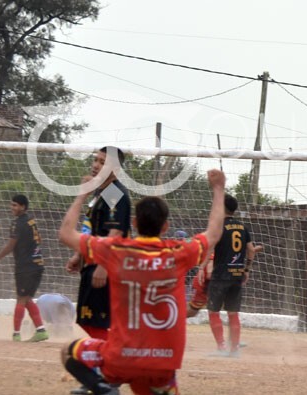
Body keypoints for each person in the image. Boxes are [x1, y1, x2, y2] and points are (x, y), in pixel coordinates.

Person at [57, 168, 228, 395]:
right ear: (165, 226)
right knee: (151, 385)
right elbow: (214, 233)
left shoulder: (116, 250)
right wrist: (218, 189)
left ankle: (103, 389)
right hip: (163, 365)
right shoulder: (179, 253)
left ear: (135, 223)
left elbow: (66, 234)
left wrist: (81, 194)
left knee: (68, 352)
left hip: (119, 359)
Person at [65, 146, 131, 340]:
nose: (96, 165)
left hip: (105, 266)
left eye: (103, 163)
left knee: (95, 321)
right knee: (88, 320)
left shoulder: (114, 193)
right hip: (92, 262)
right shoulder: (100, 193)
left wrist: (103, 266)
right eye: (96, 160)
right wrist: (79, 255)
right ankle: (113, 356)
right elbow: (92, 228)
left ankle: (114, 358)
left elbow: (116, 232)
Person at [0, 194, 48, 342]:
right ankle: (40, 330)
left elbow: (11, 245)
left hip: (26, 266)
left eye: (15, 205)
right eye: (11, 204)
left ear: (23, 207)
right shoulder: (31, 220)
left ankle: (16, 334)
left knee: (21, 299)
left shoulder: (18, 223)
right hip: (37, 264)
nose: (11, 208)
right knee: (27, 298)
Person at [205, 194, 258, 357]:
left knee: (213, 311)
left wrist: (202, 267)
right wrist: (247, 270)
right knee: (233, 313)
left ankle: (221, 347)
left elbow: (209, 248)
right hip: (237, 275)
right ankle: (234, 350)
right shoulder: (243, 227)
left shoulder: (219, 226)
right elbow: (251, 250)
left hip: (220, 275)